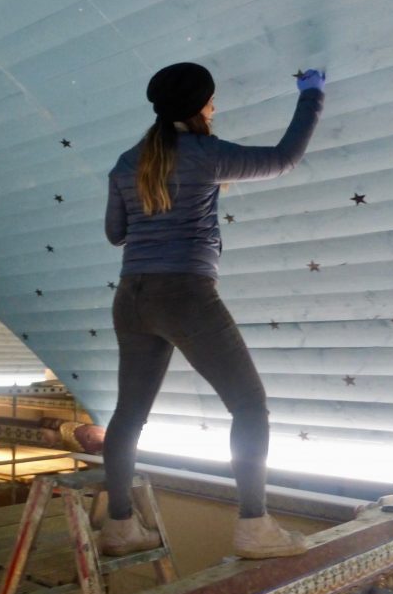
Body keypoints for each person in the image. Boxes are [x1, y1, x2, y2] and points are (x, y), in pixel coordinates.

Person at [100, 62, 325, 559]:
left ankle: (119, 526)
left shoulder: (125, 161)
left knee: (128, 415)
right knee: (249, 406)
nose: (215, 107)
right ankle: (254, 527)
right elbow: (284, 158)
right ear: (199, 108)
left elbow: (117, 233)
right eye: (212, 100)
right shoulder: (204, 155)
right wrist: (312, 93)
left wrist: (152, 211)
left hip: (131, 298)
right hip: (186, 295)